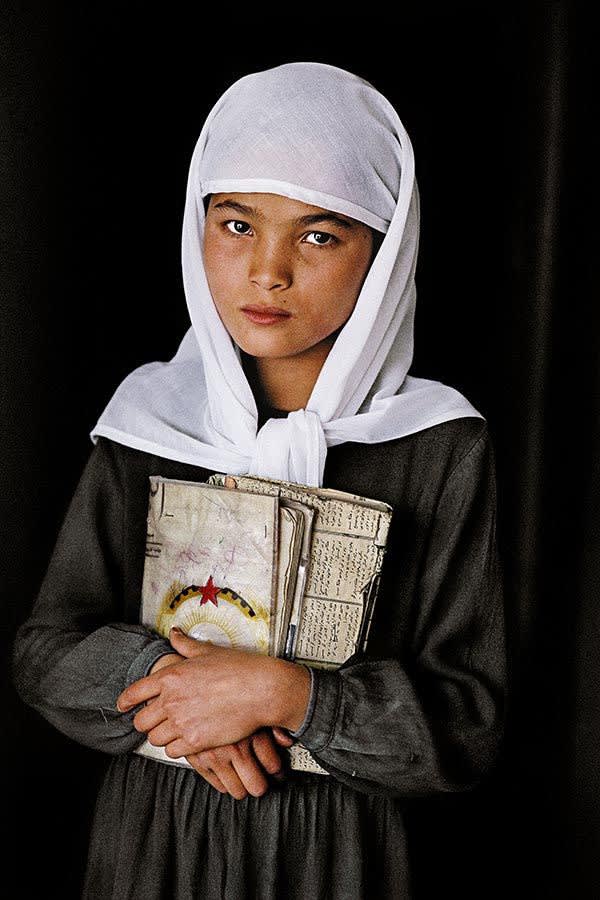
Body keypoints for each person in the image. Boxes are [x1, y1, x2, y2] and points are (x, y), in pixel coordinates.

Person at [12, 62, 506, 898]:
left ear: (384, 258)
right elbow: (44, 652)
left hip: (336, 854)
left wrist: (288, 695)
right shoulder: (147, 420)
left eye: (318, 235)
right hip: (152, 841)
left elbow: (468, 722)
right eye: (237, 224)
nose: (267, 271)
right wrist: (183, 701)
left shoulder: (439, 443)